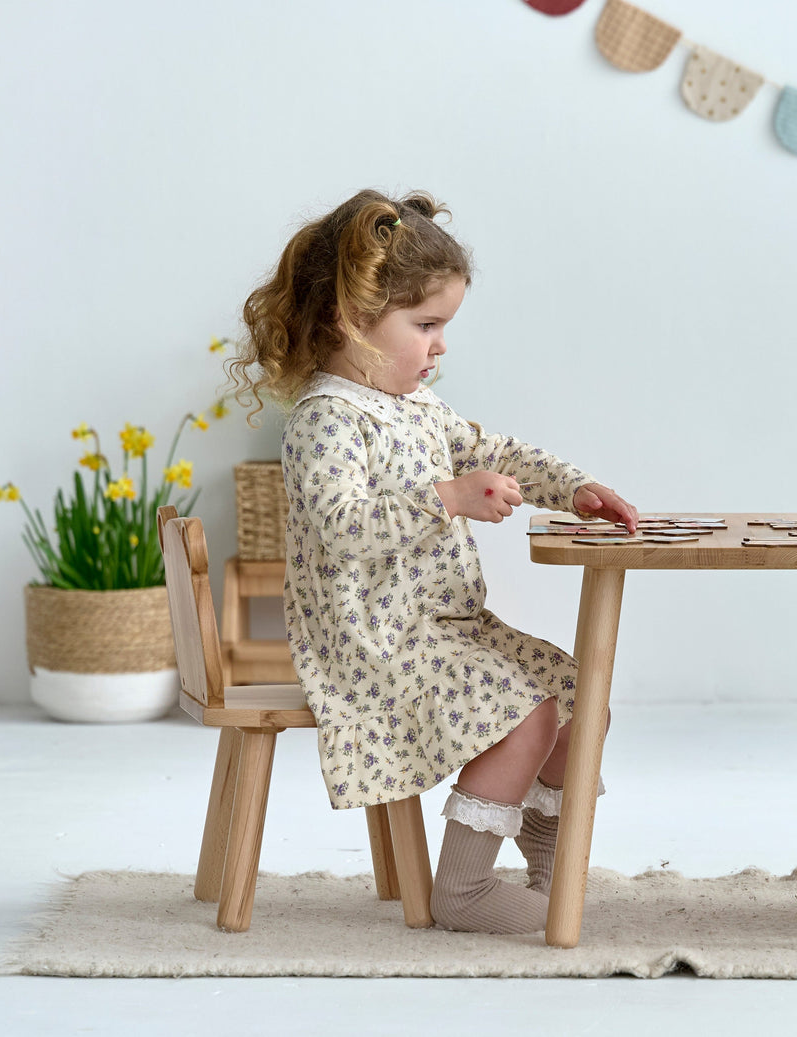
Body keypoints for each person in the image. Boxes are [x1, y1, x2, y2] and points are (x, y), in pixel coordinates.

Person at [231, 189, 638, 934]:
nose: (440, 345)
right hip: (374, 640)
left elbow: (493, 450)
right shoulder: (328, 418)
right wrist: (444, 497)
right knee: (526, 715)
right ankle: (464, 887)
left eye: (442, 325)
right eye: (425, 325)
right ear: (350, 321)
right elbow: (345, 525)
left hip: (443, 624)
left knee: (579, 696)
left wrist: (569, 487)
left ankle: (548, 865)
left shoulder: (418, 408)